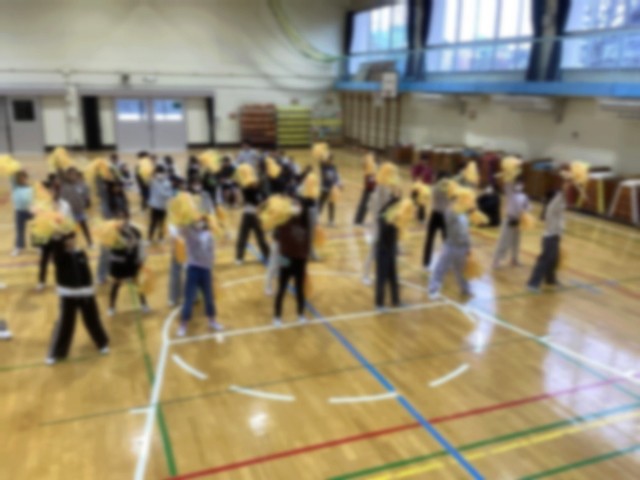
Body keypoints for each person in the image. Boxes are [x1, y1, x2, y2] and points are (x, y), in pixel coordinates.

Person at [46, 232, 109, 365]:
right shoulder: (60, 255)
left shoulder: (81, 253)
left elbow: (87, 272)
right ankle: (57, 352)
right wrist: (56, 236)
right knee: (65, 324)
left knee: (92, 319)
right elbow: (55, 246)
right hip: (68, 295)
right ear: (63, 242)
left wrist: (90, 288)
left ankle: (102, 343)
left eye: (72, 239)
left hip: (85, 293)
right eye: (67, 240)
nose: (71, 242)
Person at [177, 217, 224, 337]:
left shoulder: (209, 235)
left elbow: (211, 252)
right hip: (192, 269)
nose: (200, 223)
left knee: (209, 297)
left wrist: (211, 268)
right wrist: (185, 219)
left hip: (206, 270)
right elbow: (180, 229)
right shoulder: (189, 233)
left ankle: (212, 320)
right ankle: (183, 325)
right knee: (189, 298)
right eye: (197, 221)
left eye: (202, 222)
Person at [273, 197, 312, 326]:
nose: (297, 207)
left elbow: (307, 244)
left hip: (300, 260)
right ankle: (277, 317)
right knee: (282, 288)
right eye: (294, 205)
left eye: (299, 205)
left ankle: (300, 315)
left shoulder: (305, 223)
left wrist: (305, 261)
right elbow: (276, 234)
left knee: (299, 289)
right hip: (285, 258)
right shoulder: (284, 221)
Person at [527, 178, 569, 292]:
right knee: (545, 260)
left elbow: (562, 201)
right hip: (550, 239)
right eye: (557, 198)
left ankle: (550, 280)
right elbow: (560, 197)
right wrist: (565, 187)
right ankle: (532, 284)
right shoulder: (551, 208)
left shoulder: (556, 209)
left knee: (553, 260)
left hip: (555, 238)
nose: (561, 202)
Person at [428, 192, 473, 299]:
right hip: (450, 246)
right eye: (456, 201)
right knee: (440, 267)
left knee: (461, 270)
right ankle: (433, 288)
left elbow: (466, 232)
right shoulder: (449, 212)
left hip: (462, 247)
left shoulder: (464, 215)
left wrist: (468, 246)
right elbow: (450, 214)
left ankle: (465, 289)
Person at [108, 211, 149, 316]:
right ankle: (111, 307)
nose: (121, 221)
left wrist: (141, 259)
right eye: (119, 218)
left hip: (131, 262)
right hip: (118, 263)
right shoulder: (112, 232)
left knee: (137, 283)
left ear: (128, 219)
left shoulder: (134, 231)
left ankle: (144, 304)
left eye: (124, 218)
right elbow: (111, 247)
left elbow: (139, 246)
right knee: (116, 284)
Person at [37, 181, 72, 291]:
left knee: (59, 261)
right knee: (44, 260)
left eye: (57, 190)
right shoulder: (44, 204)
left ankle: (59, 282)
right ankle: (41, 281)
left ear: (59, 191)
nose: (54, 192)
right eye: (52, 190)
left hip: (58, 237)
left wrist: (68, 237)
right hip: (46, 237)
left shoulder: (65, 205)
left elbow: (68, 221)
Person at [493, 178, 530, 268]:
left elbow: (528, 207)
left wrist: (524, 213)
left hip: (518, 221)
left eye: (521, 183)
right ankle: (496, 260)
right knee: (504, 241)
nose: (520, 185)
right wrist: (509, 176)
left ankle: (514, 259)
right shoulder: (511, 194)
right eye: (518, 183)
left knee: (516, 241)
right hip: (509, 220)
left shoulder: (524, 196)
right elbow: (507, 185)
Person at [235, 167, 270, 264]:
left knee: (258, 237)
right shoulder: (249, 190)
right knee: (246, 236)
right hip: (250, 215)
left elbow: (259, 203)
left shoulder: (254, 190)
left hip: (252, 215)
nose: (256, 183)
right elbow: (259, 204)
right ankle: (239, 258)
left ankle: (240, 258)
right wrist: (264, 203)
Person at [375, 198, 401, 309]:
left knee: (393, 277)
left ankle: (396, 300)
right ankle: (379, 304)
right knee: (382, 278)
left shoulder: (392, 217)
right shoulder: (384, 218)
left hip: (390, 250)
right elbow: (384, 229)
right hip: (383, 252)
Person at [423, 171, 450, 270]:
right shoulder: (447, 189)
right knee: (446, 240)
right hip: (443, 216)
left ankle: (426, 262)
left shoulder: (434, 187)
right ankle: (447, 262)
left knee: (430, 239)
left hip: (435, 215)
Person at [60, 168, 92, 247]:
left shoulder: (81, 184)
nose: (72, 176)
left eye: (74, 174)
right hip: (70, 213)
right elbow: (62, 199)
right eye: (70, 175)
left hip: (80, 211)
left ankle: (90, 243)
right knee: (72, 230)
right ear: (67, 176)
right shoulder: (64, 186)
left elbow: (86, 195)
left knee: (84, 227)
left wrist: (87, 201)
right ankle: (73, 245)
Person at [11, 170, 33, 256]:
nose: (22, 179)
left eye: (23, 178)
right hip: (19, 211)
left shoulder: (30, 188)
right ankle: (19, 247)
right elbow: (11, 176)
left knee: (36, 229)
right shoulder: (15, 187)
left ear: (26, 178)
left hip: (30, 211)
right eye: (20, 178)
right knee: (20, 230)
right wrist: (13, 168)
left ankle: (38, 246)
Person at [148, 165, 173, 242]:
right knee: (153, 223)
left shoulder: (167, 183)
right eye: (158, 172)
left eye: (161, 172)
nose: (160, 174)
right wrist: (153, 172)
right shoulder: (153, 181)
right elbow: (148, 178)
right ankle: (150, 238)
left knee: (162, 223)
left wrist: (164, 194)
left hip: (163, 206)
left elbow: (170, 194)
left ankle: (160, 237)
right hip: (155, 206)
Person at [354, 153, 377, 226]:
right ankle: (358, 220)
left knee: (366, 205)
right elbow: (364, 165)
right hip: (369, 187)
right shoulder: (367, 167)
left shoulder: (373, 166)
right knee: (364, 204)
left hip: (372, 186)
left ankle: (360, 220)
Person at [318, 155, 341, 226]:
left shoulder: (333, 167)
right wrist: (323, 155)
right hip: (325, 188)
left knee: (331, 204)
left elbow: (336, 176)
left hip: (332, 189)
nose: (331, 161)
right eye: (329, 160)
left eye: (332, 160)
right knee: (321, 203)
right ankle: (316, 218)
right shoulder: (323, 166)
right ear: (327, 160)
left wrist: (339, 184)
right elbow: (321, 161)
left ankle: (331, 220)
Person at [411, 157, 433, 223]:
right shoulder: (417, 167)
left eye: (425, 161)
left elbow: (430, 180)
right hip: (417, 187)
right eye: (422, 161)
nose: (423, 162)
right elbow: (413, 175)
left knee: (422, 204)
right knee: (414, 202)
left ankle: (421, 217)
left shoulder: (428, 169)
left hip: (424, 189)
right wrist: (417, 178)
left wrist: (427, 184)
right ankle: (413, 214)